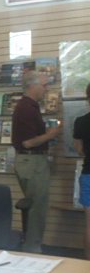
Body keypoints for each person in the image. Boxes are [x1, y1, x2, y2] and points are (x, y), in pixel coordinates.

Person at [11, 71, 61, 253]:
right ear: (33, 86)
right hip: (32, 161)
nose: (46, 89)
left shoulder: (29, 106)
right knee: (37, 207)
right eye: (44, 85)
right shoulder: (27, 108)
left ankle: (32, 245)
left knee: (36, 205)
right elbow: (28, 143)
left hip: (30, 161)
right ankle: (32, 248)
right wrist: (51, 134)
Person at [72, 82, 90, 259]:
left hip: (88, 173)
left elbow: (79, 149)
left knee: (89, 224)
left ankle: (86, 267)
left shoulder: (81, 121)